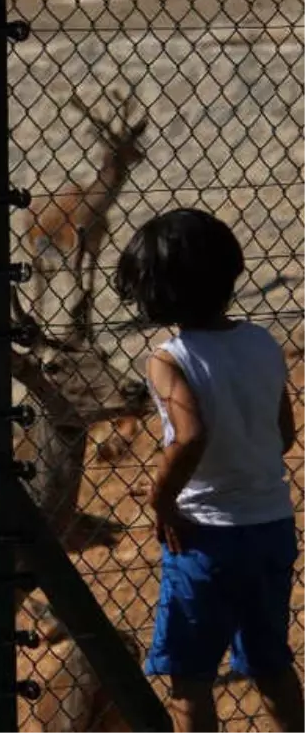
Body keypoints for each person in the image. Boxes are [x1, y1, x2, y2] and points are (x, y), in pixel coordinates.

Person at [114, 207, 305, 733]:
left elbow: (189, 435)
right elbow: (283, 433)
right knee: (271, 664)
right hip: (270, 526)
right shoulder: (263, 342)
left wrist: (162, 499)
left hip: (203, 539)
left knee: (190, 682)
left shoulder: (169, 358)